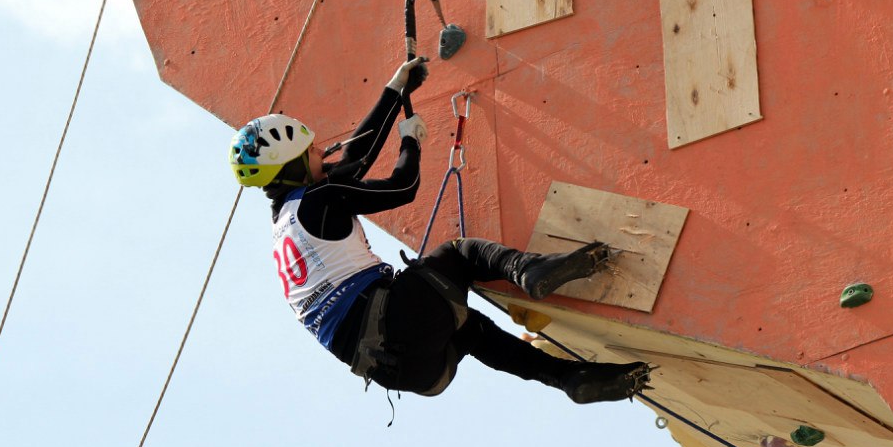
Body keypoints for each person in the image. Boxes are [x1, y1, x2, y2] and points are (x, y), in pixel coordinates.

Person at [229, 57, 651, 404]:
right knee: (460, 254)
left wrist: (396, 90)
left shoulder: (288, 221)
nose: (324, 150)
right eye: (313, 150)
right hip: (397, 322)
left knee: (474, 332)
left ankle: (571, 379)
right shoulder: (321, 200)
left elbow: (354, 158)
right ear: (296, 165)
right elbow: (402, 187)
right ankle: (531, 271)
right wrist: (410, 142)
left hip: (407, 372)